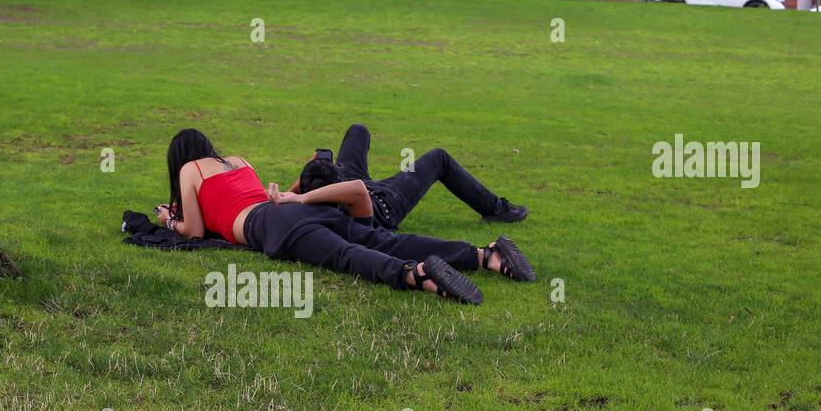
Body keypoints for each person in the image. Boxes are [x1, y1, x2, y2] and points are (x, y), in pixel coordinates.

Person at [154, 129, 536, 306]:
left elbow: (196, 230)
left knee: (342, 255)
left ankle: (413, 274)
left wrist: (168, 221)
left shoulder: (189, 169)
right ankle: (485, 255)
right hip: (295, 207)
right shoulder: (237, 160)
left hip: (269, 223)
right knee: (381, 239)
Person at [295, 124, 528, 231]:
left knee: (358, 130)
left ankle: (322, 170)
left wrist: (311, 173)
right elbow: (356, 189)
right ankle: (496, 209)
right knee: (439, 158)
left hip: (343, 184)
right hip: (385, 201)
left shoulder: (297, 208)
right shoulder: (345, 215)